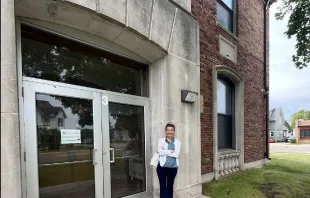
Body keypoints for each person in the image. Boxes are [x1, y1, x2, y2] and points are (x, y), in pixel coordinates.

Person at [157, 123, 181, 198]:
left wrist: (165, 151)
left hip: (173, 168)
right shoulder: (161, 141)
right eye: (168, 130)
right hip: (162, 167)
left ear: (174, 131)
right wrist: (171, 151)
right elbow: (160, 152)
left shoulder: (177, 142)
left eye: (171, 130)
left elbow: (176, 154)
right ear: (165, 131)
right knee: (162, 187)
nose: (169, 132)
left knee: (170, 187)